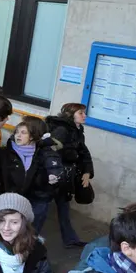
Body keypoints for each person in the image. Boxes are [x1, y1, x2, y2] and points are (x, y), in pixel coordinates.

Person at [45, 103, 93, 248]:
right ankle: (25, 240)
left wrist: (87, 171)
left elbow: (83, 151)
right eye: (81, 113)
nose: (84, 116)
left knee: (64, 208)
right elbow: (50, 152)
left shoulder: (77, 129)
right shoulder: (62, 130)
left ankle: (70, 239)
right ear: (70, 115)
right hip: (55, 175)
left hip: (65, 176)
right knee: (40, 209)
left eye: (84, 113)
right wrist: (70, 156)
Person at [1, 116, 64, 222]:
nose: (18, 135)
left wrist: (50, 178)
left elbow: (54, 169)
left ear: (33, 134)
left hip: (36, 198)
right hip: (11, 200)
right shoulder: (8, 152)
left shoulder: (41, 151)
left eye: (23, 132)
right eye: (17, 131)